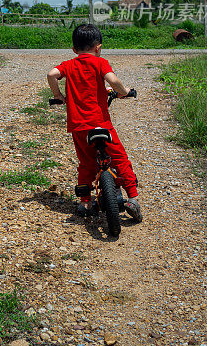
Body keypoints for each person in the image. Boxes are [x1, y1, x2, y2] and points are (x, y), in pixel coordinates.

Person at [47, 23, 142, 222]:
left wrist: (59, 95)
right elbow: (113, 81)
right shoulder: (100, 63)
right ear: (98, 47)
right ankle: (132, 198)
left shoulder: (69, 65)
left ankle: (85, 201)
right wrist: (124, 92)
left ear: (74, 49)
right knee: (119, 159)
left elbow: (51, 74)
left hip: (78, 126)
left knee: (86, 163)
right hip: (101, 124)